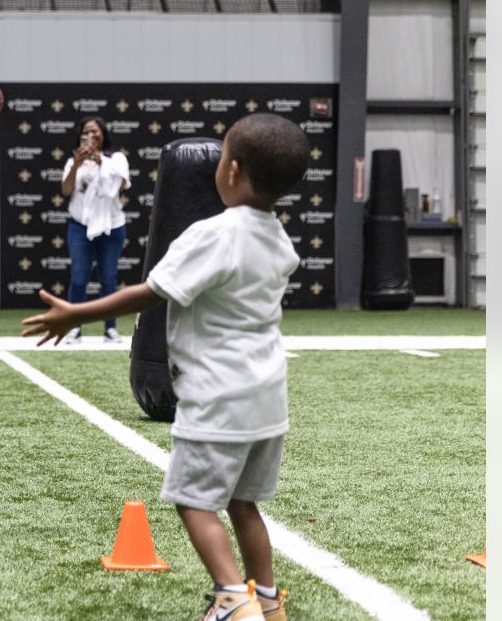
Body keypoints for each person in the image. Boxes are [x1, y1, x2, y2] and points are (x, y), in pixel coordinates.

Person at [23, 113, 309, 621]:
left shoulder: (214, 234)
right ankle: (267, 602)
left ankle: (230, 598)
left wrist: (76, 313)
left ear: (233, 171)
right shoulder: (278, 238)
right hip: (268, 398)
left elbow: (149, 293)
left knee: (193, 500)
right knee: (245, 504)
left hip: (219, 396)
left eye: (222, 156)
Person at [60, 115, 130, 344]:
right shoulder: (74, 161)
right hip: (80, 225)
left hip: (111, 226)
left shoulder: (116, 159)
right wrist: (78, 163)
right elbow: (67, 190)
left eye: (95, 131)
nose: (91, 136)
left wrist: (100, 161)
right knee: (78, 278)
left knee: (108, 278)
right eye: (86, 132)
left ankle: (110, 328)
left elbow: (118, 186)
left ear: (103, 133)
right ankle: (74, 327)